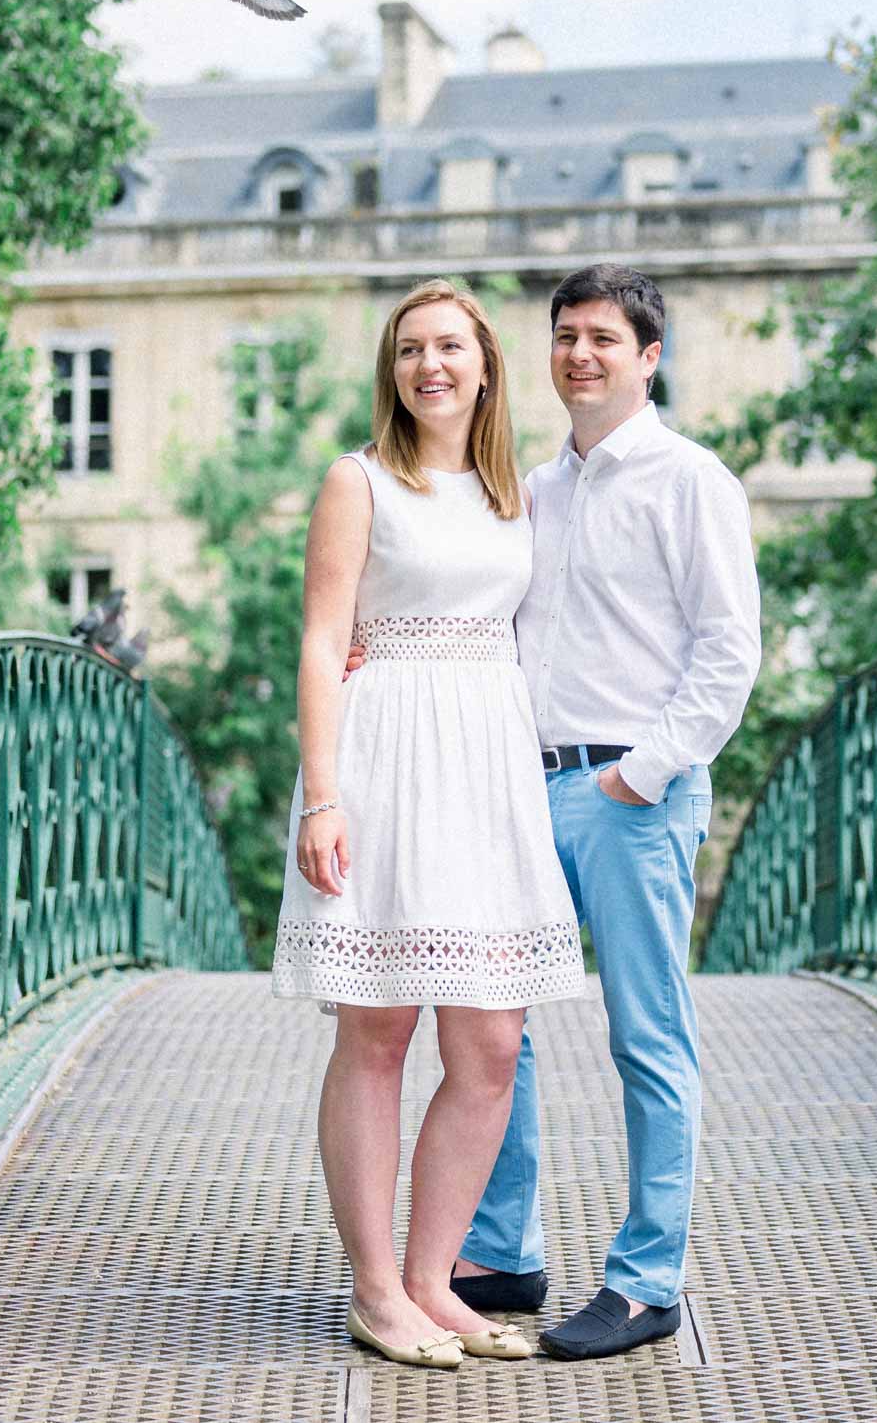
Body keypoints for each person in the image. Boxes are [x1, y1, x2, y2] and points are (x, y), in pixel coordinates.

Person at [271, 277, 586, 1372]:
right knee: (378, 1030)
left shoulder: (519, 492)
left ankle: (430, 1278)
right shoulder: (356, 480)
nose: (429, 365)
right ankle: (373, 1288)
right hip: (385, 758)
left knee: (491, 1041)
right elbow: (321, 640)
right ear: (391, 370)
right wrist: (322, 791)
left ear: (486, 363)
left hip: (487, 770)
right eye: (410, 349)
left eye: (449, 345)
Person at [448, 263, 762, 1360]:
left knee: (646, 1033)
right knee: (497, 1029)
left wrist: (646, 769)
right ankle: (501, 1250)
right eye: (566, 335)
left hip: (630, 795)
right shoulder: (535, 487)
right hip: (520, 789)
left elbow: (729, 653)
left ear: (648, 356)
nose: (580, 354)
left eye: (603, 339)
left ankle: (646, 1279)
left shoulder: (690, 481)